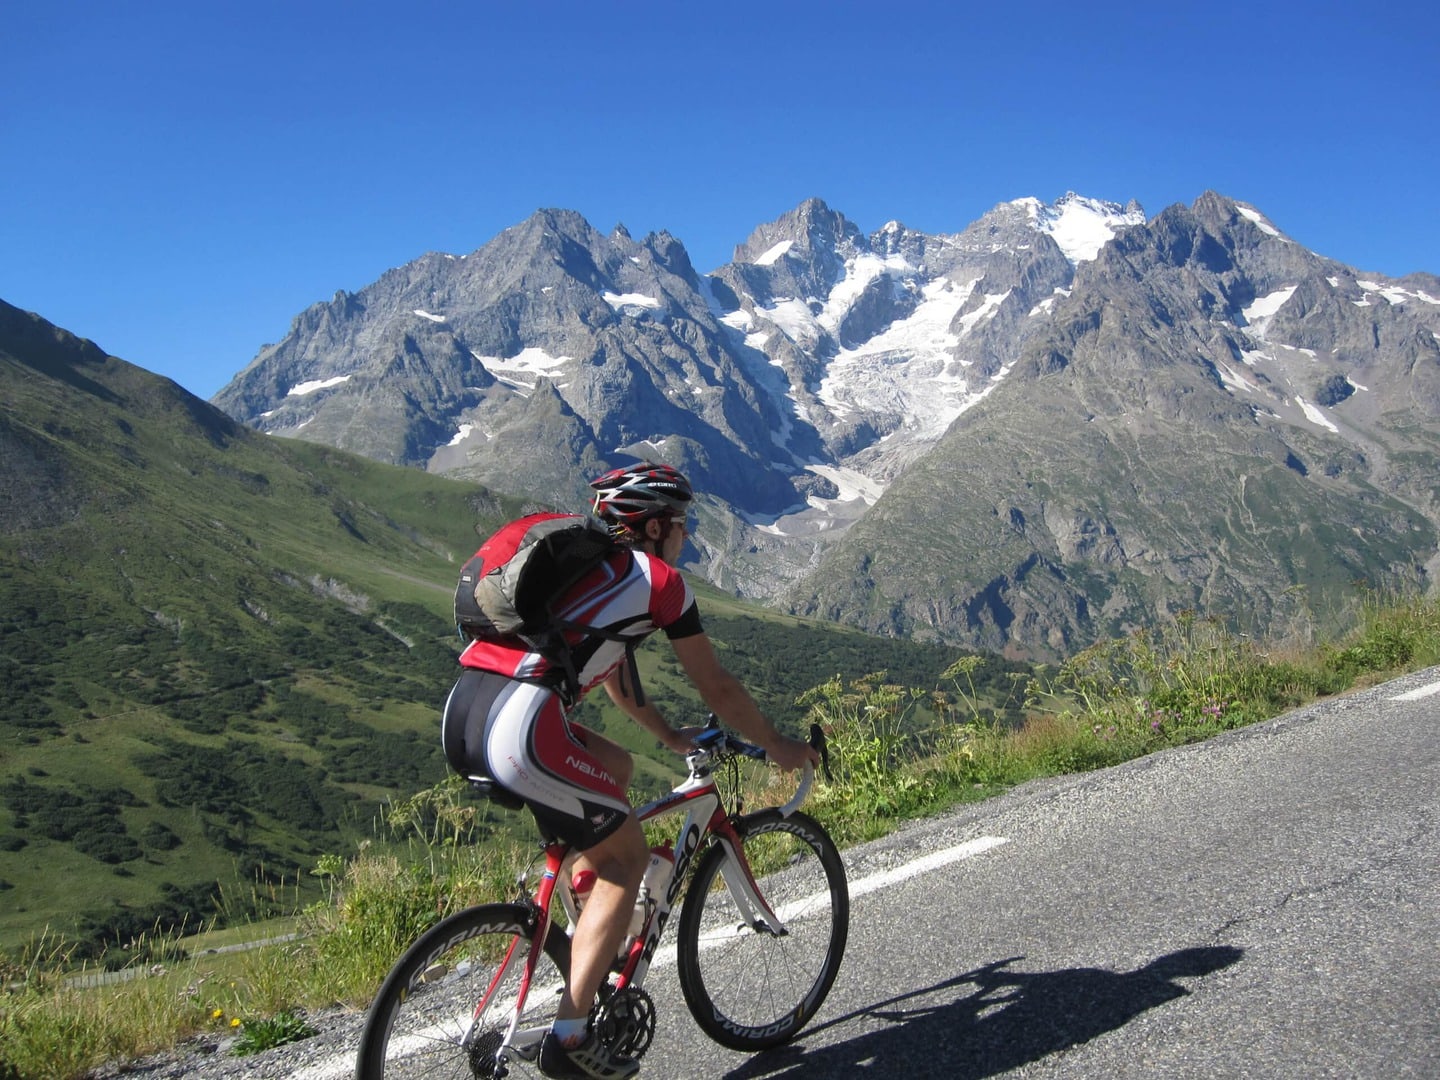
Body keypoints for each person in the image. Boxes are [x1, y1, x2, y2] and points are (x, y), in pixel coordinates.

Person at [440, 461, 819, 1080]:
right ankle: (569, 1038)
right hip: (521, 725)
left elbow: (614, 669)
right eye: (682, 526)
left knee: (612, 765)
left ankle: (591, 903)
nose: (687, 538)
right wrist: (777, 743)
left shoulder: (595, 576)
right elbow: (718, 687)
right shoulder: (657, 581)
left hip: (469, 712)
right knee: (628, 861)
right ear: (654, 526)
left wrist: (669, 735)